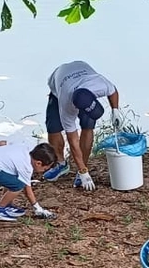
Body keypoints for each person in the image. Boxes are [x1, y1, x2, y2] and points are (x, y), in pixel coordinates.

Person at [43, 60, 119, 191]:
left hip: (82, 71)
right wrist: (84, 172)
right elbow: (73, 141)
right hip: (59, 85)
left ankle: (83, 167)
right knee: (53, 128)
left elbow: (113, 91)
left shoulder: (99, 84)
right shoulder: (66, 104)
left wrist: (115, 110)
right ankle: (61, 164)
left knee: (88, 127)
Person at [0, 140, 59, 221]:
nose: (43, 171)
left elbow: (2, 143)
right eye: (44, 169)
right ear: (38, 163)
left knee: (13, 178)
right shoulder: (26, 166)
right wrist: (38, 208)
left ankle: (7, 205)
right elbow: (27, 191)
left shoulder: (27, 147)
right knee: (18, 185)